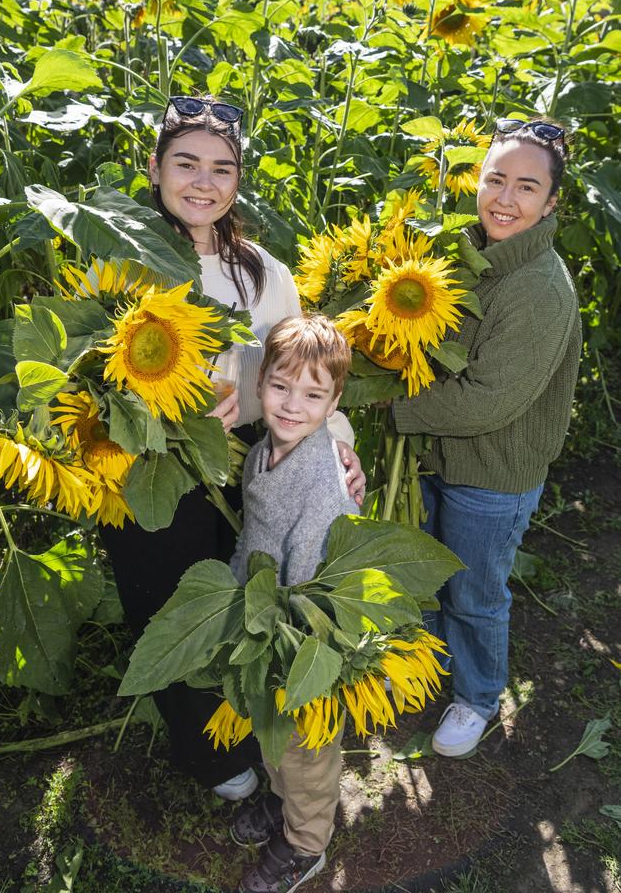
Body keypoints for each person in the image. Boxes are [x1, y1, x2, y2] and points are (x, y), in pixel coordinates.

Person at [100, 96, 365, 799]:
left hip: (239, 460)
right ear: (154, 169)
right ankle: (208, 754)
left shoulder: (263, 273)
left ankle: (238, 723)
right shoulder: (117, 257)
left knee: (238, 595)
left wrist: (339, 444)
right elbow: (91, 373)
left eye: (222, 169)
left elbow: (304, 370)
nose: (203, 182)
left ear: (238, 180)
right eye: (185, 163)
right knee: (165, 609)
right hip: (144, 462)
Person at [393, 117, 581, 757]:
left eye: (526, 187)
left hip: (493, 471)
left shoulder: (539, 289)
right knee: (431, 576)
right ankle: (435, 672)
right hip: (439, 456)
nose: (505, 198)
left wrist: (392, 408)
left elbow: (488, 403)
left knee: (474, 591)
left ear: (551, 202)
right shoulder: (467, 254)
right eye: (495, 178)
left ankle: (475, 698)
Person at [228, 315, 359, 893]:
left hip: (305, 639)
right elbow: (253, 534)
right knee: (271, 735)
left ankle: (306, 843)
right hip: (263, 623)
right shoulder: (263, 450)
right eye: (281, 386)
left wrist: (286, 643)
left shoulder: (322, 481)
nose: (291, 405)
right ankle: (283, 806)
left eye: (313, 394)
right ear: (261, 385)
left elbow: (310, 575)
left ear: (334, 402)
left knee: (306, 749)